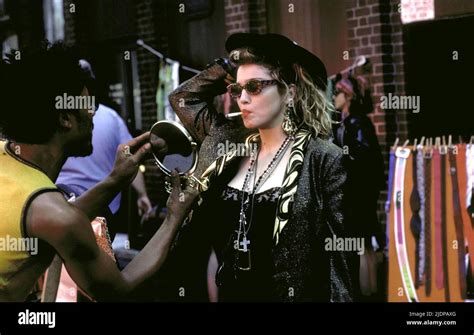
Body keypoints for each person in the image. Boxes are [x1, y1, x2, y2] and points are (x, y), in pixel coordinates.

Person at [0, 42, 198, 301]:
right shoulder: (54, 215)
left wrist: (115, 180)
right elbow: (117, 289)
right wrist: (174, 216)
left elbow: (51, 220)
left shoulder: (10, 160)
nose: (94, 113)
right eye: (86, 104)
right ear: (65, 118)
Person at [165, 33, 354, 302]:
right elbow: (183, 98)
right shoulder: (226, 141)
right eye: (237, 89)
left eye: (254, 87)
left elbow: (339, 268)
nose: (242, 98)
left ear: (290, 93)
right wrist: (230, 65)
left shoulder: (324, 159)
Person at [56, 59, 152, 239]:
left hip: (80, 208)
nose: (92, 113)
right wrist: (142, 195)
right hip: (95, 210)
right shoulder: (110, 116)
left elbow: (130, 157)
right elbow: (131, 156)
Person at [332, 75, 386, 299]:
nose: (334, 97)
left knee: (360, 240)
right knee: (360, 240)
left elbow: (364, 157)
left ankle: (368, 291)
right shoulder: (346, 121)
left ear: (348, 96)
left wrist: (340, 157)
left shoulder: (358, 122)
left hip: (358, 192)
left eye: (337, 92)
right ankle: (367, 288)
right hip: (352, 190)